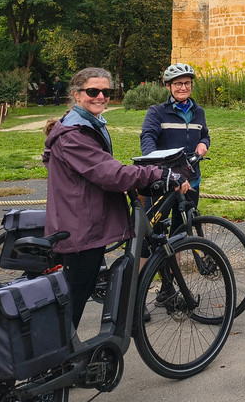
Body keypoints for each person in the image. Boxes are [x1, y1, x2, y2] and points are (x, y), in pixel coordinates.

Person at [42, 67, 174, 329]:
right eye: (93, 91)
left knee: (79, 290)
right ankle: (61, 361)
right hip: (81, 224)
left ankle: (64, 355)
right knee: (75, 296)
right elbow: (109, 173)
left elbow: (100, 169)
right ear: (77, 94)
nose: (100, 96)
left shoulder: (86, 123)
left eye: (106, 91)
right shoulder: (74, 134)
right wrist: (156, 172)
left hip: (85, 216)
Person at [140, 63, 209, 231]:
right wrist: (159, 166)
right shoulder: (157, 112)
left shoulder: (198, 112)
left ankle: (174, 258)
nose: (183, 87)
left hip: (191, 180)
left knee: (181, 230)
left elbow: (204, 135)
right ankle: (148, 259)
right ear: (168, 86)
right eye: (178, 84)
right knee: (152, 233)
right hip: (164, 180)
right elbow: (147, 138)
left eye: (187, 83)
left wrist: (204, 143)